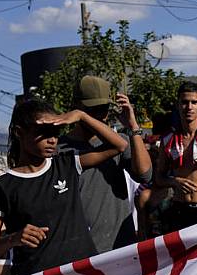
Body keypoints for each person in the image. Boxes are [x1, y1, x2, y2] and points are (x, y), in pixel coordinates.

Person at [0, 100, 128, 275]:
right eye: (43, 133)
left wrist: (81, 116)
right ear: (19, 132)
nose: (52, 140)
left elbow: (119, 145)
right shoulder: (1, 185)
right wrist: (14, 238)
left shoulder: (67, 164)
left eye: (55, 133)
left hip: (85, 273)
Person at [57, 75, 152, 253]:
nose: (100, 115)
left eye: (104, 108)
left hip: (119, 246)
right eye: (92, 110)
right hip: (76, 250)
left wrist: (133, 127)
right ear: (76, 108)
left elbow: (144, 174)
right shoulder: (58, 149)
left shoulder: (120, 141)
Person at [154, 81, 197, 232]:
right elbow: (159, 178)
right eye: (184, 102)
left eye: (194, 102)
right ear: (178, 105)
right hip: (178, 208)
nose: (189, 107)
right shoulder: (168, 139)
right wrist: (175, 181)